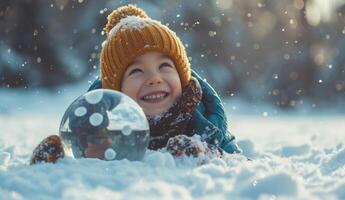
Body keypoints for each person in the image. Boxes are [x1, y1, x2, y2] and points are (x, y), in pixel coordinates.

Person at [30, 4, 241, 164]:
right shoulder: (104, 127)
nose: (154, 78)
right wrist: (58, 162)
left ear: (182, 76)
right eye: (136, 71)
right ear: (116, 91)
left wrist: (205, 153)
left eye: (165, 66)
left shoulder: (205, 123)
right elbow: (84, 162)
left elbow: (238, 165)